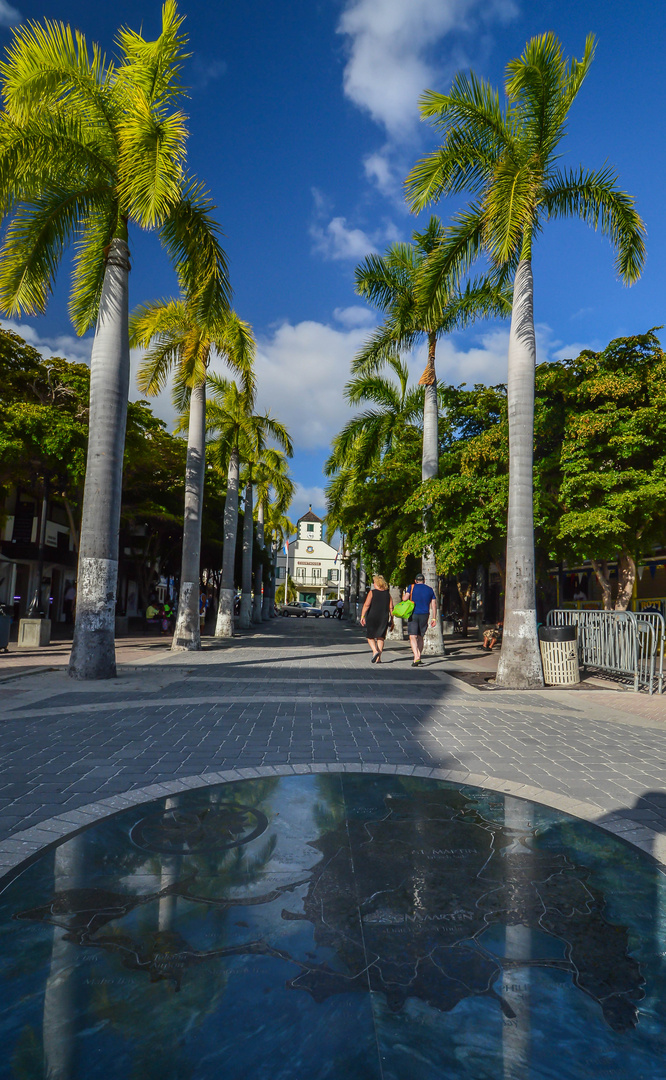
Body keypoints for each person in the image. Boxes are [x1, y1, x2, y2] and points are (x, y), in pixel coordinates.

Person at [404, 573, 437, 667]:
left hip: (413, 614)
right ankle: (419, 656)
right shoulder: (430, 589)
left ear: (415, 580)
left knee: (412, 636)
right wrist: (434, 618)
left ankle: (416, 656)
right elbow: (434, 605)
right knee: (420, 636)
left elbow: (405, 598)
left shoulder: (411, 587)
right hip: (425, 615)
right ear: (424, 580)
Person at [360, 575, 393, 663]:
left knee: (370, 636)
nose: (373, 584)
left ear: (377, 583)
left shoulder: (372, 592)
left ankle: (375, 651)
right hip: (384, 617)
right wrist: (392, 620)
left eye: (374, 582)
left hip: (372, 616)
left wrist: (362, 616)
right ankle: (379, 658)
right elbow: (391, 608)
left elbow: (366, 605)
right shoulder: (387, 594)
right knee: (380, 637)